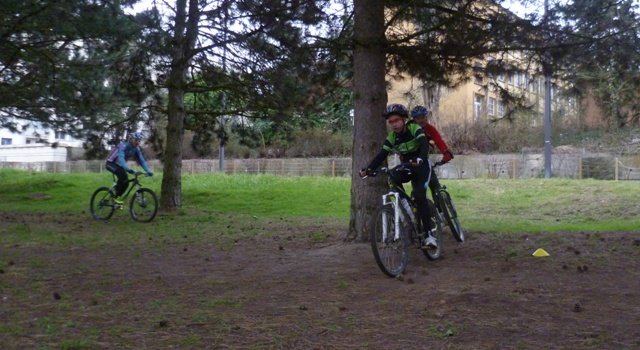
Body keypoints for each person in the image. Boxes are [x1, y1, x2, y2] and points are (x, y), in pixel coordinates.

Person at [359, 103, 438, 249]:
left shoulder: (414, 128)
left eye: (396, 121)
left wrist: (420, 158)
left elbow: (424, 145)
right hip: (407, 166)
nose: (394, 125)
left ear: (403, 119)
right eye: (391, 122)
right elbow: (382, 154)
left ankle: (429, 236)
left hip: (422, 166)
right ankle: (408, 208)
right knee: (392, 177)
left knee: (420, 196)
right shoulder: (392, 137)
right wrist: (368, 169)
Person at [410, 105, 454, 194]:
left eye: (423, 117)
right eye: (418, 118)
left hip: (425, 161)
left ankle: (440, 204)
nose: (421, 120)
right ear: (414, 119)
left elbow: (438, 140)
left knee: (436, 188)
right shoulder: (409, 129)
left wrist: (446, 153)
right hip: (413, 162)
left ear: (426, 117)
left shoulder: (429, 128)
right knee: (418, 191)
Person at [105, 132, 153, 204]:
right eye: (136, 140)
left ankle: (115, 198)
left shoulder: (136, 149)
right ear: (131, 139)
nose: (138, 142)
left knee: (126, 183)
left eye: (139, 141)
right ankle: (114, 197)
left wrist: (148, 170)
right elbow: (121, 158)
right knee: (123, 176)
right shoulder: (123, 145)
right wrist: (128, 169)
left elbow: (141, 161)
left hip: (120, 166)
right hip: (110, 163)